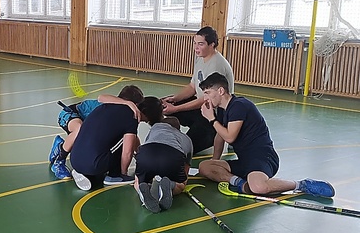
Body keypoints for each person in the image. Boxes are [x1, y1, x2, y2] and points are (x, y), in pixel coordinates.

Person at [197, 72, 334, 197]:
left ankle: (301, 184)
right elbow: (220, 137)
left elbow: (229, 137)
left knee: (258, 187)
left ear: (221, 91)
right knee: (204, 167)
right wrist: (215, 161)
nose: (205, 98)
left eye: (208, 93)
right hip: (245, 159)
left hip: (262, 157)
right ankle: (240, 183)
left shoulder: (239, 106)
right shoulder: (223, 110)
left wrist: (211, 119)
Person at [162, 26, 234, 155]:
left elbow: (207, 99)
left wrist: (176, 109)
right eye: (195, 43)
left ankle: (217, 133)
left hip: (214, 115)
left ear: (212, 45)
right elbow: (193, 86)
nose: (196, 48)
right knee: (164, 104)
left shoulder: (216, 65)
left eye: (201, 44)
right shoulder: (200, 58)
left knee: (185, 149)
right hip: (203, 108)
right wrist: (174, 99)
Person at [49, 85, 144, 180]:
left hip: (86, 125)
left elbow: (132, 138)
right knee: (78, 129)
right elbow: (101, 97)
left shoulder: (116, 108)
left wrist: (139, 154)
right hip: (70, 113)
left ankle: (73, 155)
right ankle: (59, 160)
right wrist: (128, 103)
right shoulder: (110, 105)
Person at [68, 96, 144, 191]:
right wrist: (123, 173)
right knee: (126, 139)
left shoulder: (102, 108)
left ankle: (85, 173)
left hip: (74, 159)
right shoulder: (131, 116)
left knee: (101, 144)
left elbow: (101, 97)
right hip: (94, 163)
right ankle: (115, 176)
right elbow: (127, 152)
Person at [133, 97, 193, 213]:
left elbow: (145, 146)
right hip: (173, 156)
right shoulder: (186, 139)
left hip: (147, 152)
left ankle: (141, 187)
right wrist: (180, 181)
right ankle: (171, 186)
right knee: (181, 184)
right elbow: (185, 171)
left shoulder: (155, 128)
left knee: (140, 178)